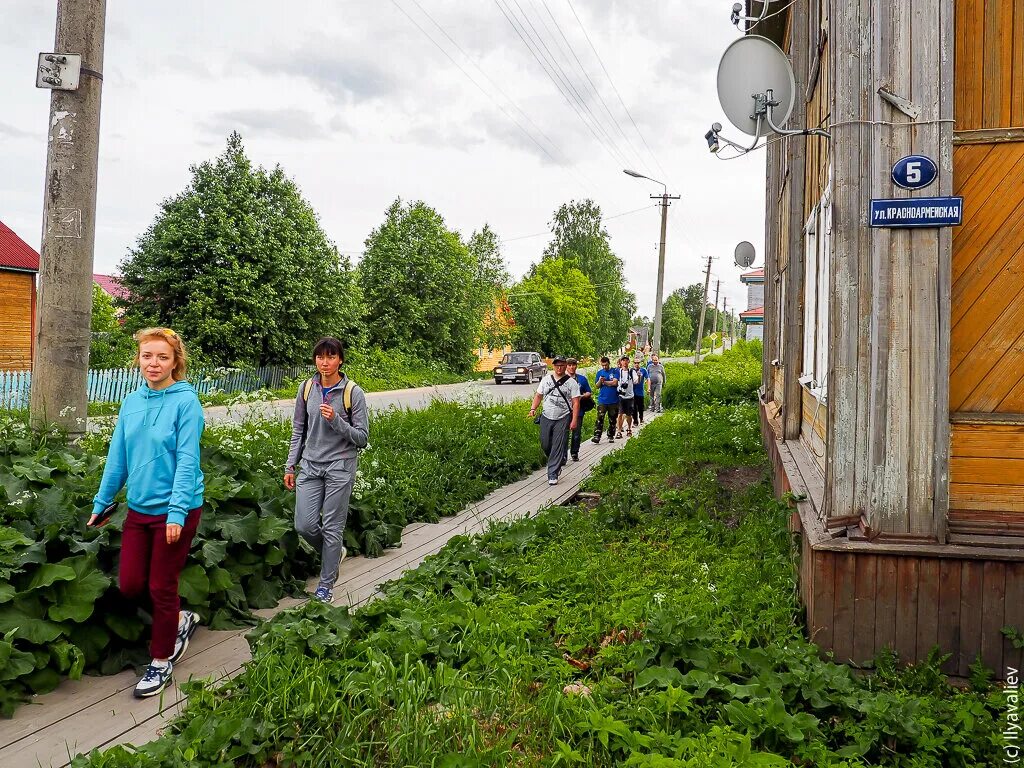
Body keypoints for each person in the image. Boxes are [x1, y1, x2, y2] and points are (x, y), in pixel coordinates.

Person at [90, 328, 205, 699]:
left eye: (162, 357)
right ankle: (179, 620)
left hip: (179, 509)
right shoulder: (131, 402)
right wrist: (102, 502)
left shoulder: (186, 403)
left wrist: (176, 512)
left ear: (176, 362)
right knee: (130, 584)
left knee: (161, 585)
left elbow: (188, 461)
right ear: (138, 359)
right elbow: (118, 458)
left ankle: (160, 661)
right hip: (139, 509)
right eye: (147, 356)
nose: (153, 364)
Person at [284, 337, 369, 604]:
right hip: (310, 464)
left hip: (340, 466)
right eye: (320, 357)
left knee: (332, 527)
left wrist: (337, 421)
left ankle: (325, 584)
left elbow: (362, 438)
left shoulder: (352, 392)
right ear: (315, 360)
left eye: (331, 357)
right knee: (304, 525)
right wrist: (290, 464)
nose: (325, 362)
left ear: (340, 360)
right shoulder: (307, 387)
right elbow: (299, 428)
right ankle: (335, 553)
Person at [529, 356, 580, 486]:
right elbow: (539, 395)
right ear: (553, 366)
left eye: (562, 365)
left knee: (557, 444)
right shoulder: (546, 380)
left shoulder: (571, 383)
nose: (559, 367)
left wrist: (574, 420)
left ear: (565, 366)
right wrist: (533, 408)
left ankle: (553, 472)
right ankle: (557, 458)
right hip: (546, 416)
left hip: (563, 417)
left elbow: (575, 402)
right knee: (545, 444)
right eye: (557, 365)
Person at [564, 357, 592, 463]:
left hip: (578, 410)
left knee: (576, 433)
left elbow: (589, 392)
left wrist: (582, 396)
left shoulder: (582, 379)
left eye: (573, 365)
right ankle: (563, 455)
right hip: (565, 411)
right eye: (569, 365)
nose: (571, 367)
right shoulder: (563, 379)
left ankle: (574, 452)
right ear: (566, 367)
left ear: (576, 366)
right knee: (564, 433)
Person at [591, 356, 620, 443]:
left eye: (606, 365)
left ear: (609, 363)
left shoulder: (615, 371)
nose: (604, 367)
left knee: (612, 419)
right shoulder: (599, 373)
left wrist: (605, 382)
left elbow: (615, 383)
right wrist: (600, 381)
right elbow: (597, 386)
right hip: (602, 399)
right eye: (603, 365)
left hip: (613, 400)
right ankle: (597, 435)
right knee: (600, 418)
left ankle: (610, 435)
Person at [615, 356, 636, 438]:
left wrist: (638, 377)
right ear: (620, 362)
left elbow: (636, 380)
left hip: (629, 396)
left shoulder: (631, 371)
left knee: (628, 415)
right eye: (623, 360)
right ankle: (619, 431)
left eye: (626, 360)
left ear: (629, 362)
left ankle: (629, 428)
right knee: (620, 414)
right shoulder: (618, 371)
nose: (625, 362)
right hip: (621, 396)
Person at [631, 355, 649, 426]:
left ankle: (641, 418)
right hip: (632, 392)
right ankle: (635, 421)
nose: (636, 364)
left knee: (640, 406)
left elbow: (648, 379)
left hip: (640, 392)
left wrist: (648, 387)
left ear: (640, 363)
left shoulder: (643, 370)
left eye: (638, 363)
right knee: (634, 407)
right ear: (633, 363)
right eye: (635, 363)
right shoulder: (631, 371)